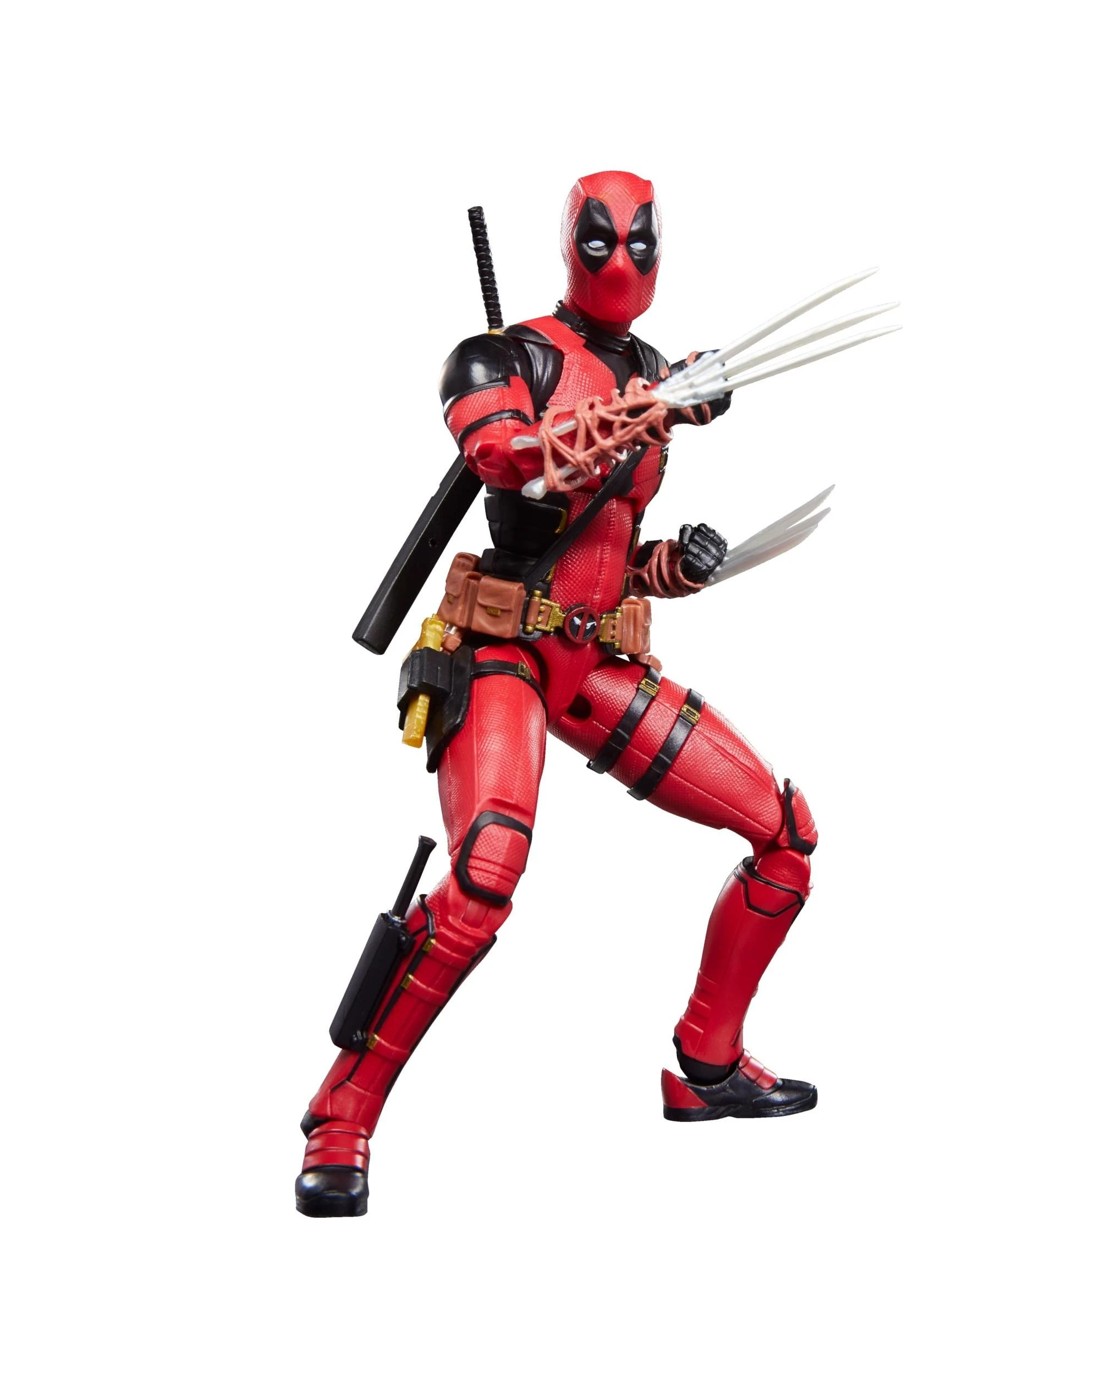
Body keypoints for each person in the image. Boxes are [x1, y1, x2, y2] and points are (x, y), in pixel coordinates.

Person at [296, 171, 818, 1218]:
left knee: (784, 834)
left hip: (595, 662)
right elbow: (513, 462)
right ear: (569, 244)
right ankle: (340, 1115)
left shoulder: (647, 372)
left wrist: (680, 564)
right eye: (601, 240)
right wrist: (654, 408)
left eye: (639, 242)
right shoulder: (501, 359)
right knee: (483, 873)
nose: (621, 261)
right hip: (504, 651)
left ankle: (706, 1063)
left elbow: (612, 558)